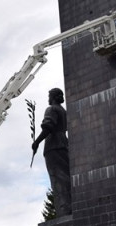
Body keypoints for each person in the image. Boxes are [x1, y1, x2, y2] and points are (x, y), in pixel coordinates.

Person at [31, 88, 72, 217]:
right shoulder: (64, 111)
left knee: (58, 179)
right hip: (64, 144)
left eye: (49, 96)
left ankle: (65, 210)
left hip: (53, 146)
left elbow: (48, 127)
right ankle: (71, 207)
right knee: (66, 177)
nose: (48, 99)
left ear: (53, 97)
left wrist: (37, 142)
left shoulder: (51, 109)